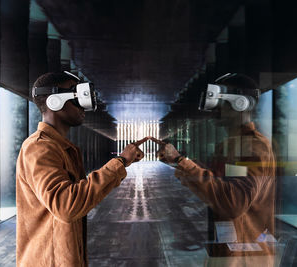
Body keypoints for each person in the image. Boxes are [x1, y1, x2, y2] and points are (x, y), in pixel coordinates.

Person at [16, 72, 148, 267]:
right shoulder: (39, 147)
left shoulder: (60, 147)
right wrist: (119, 162)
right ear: (55, 102)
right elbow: (66, 206)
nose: (83, 107)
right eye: (77, 99)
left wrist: (123, 162)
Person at [151, 73, 276, 260]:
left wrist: (181, 162)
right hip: (229, 249)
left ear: (240, 104)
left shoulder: (254, 147)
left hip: (247, 255)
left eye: (220, 103)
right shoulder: (229, 146)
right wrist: (180, 162)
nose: (214, 110)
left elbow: (234, 203)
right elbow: (218, 185)